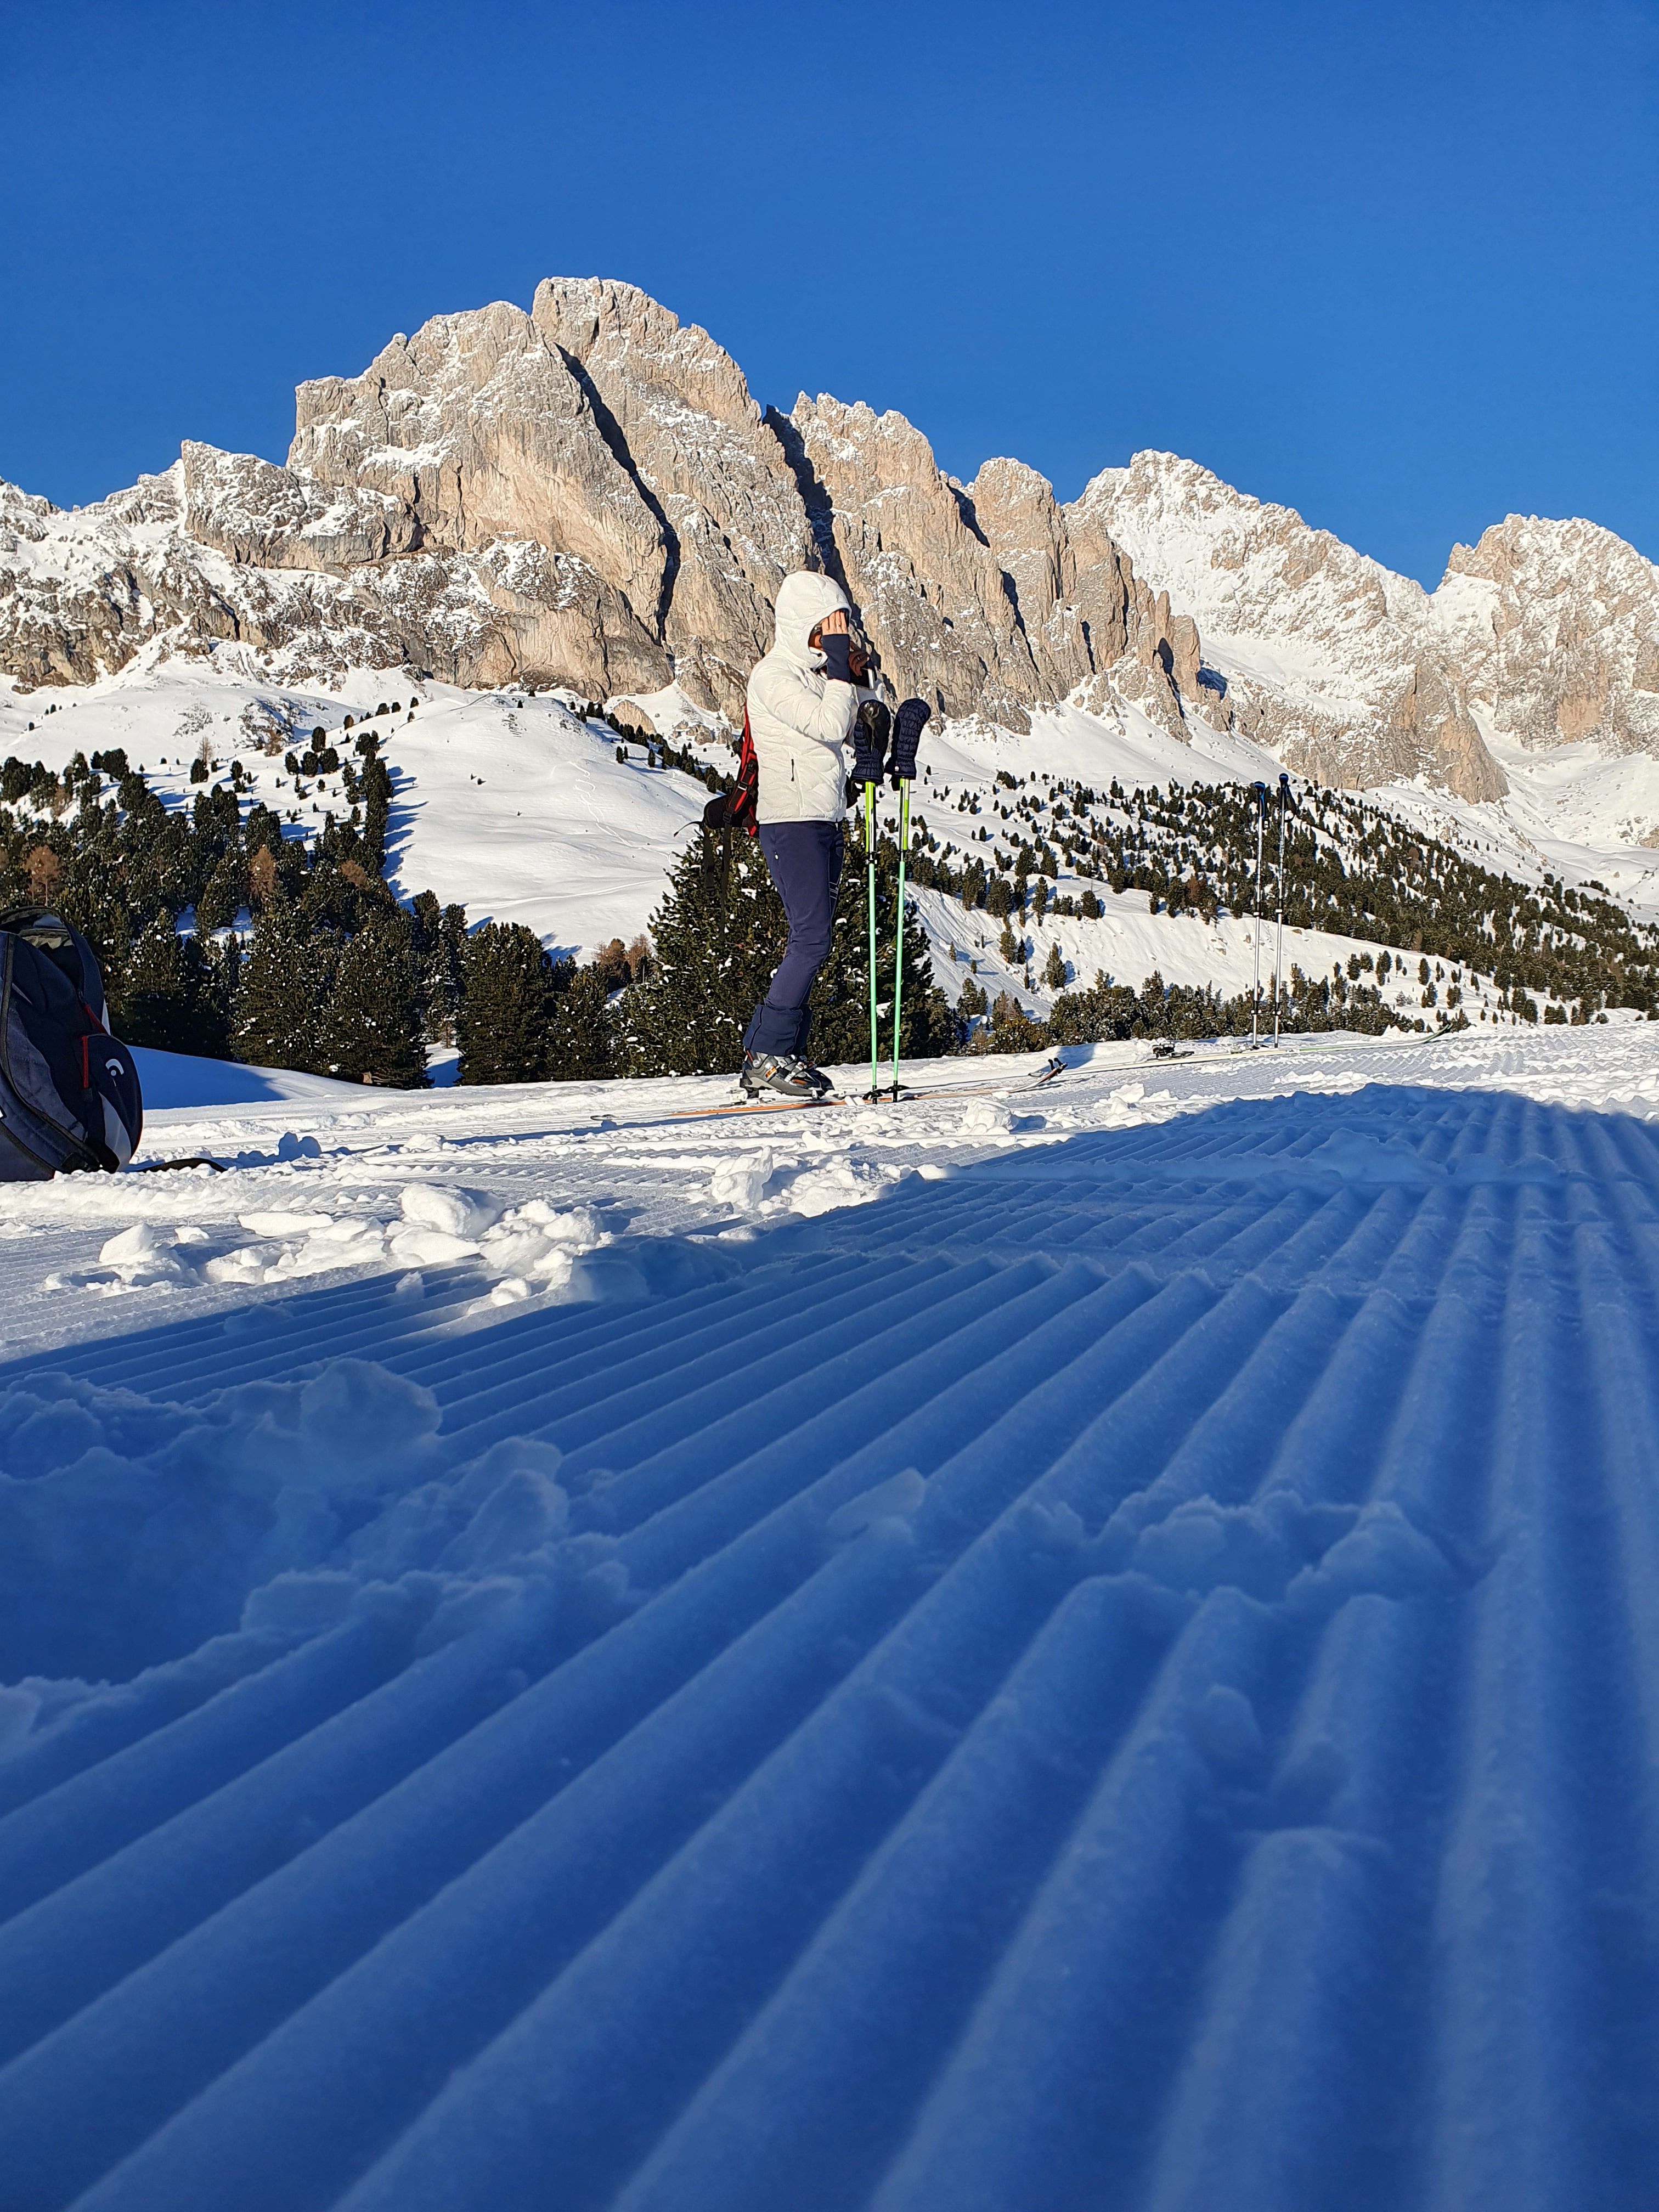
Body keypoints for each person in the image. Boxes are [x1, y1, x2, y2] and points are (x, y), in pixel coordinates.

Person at [739, 571, 879, 1098]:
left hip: (823, 817)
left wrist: (858, 679)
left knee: (815, 939)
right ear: (801, 624)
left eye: (837, 628)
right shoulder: (773, 676)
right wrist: (840, 670)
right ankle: (766, 1056)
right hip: (790, 821)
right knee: (811, 937)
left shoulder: (815, 674)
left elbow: (854, 727)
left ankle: (784, 1053)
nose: (831, 638)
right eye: (825, 627)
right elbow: (826, 725)